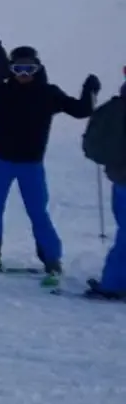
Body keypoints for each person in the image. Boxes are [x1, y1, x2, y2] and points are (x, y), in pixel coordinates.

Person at [0, 42, 101, 285]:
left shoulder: (49, 93)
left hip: (31, 165)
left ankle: (52, 259)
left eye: (29, 69)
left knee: (37, 213)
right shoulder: (0, 91)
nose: (23, 75)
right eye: (18, 68)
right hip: (2, 163)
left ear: (38, 69)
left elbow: (81, 110)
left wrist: (90, 90)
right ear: (11, 69)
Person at [78, 73, 126, 299]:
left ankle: (114, 283)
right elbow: (93, 146)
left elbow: (93, 146)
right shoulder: (113, 111)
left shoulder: (111, 110)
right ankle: (114, 283)